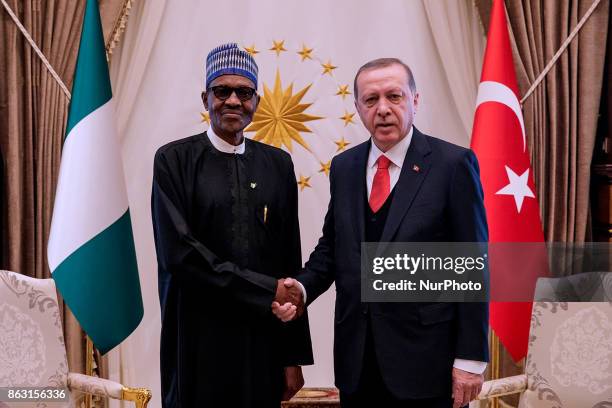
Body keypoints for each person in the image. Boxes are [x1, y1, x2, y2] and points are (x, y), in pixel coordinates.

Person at [273, 58, 489, 408]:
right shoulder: (345, 167)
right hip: (357, 363)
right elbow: (333, 247)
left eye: (394, 96)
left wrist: (469, 362)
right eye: (371, 100)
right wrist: (300, 287)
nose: (383, 109)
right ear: (358, 107)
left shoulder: (453, 165)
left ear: (415, 101)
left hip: (427, 365)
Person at [152, 42, 313, 408]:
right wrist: (268, 288)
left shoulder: (278, 165)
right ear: (205, 97)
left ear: (256, 100)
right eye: (222, 91)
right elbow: (181, 255)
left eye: (244, 92)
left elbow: (290, 257)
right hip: (197, 337)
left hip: (262, 340)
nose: (233, 101)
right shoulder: (173, 160)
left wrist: (293, 355)